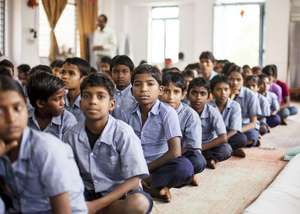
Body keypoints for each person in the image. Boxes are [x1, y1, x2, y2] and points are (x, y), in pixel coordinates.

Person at [63, 73, 152, 214]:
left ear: (112, 104)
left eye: (100, 96)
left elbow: (134, 180)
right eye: (87, 96)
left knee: (139, 204)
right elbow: (66, 175)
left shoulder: (123, 132)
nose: (93, 101)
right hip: (86, 192)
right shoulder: (70, 136)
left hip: (119, 193)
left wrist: (96, 205)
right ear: (80, 103)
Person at [0, 75, 87, 213]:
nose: (11, 119)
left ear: (25, 106)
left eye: (17, 108)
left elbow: (63, 211)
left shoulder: (47, 149)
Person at [121, 64, 194, 202]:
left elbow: (175, 152)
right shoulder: (126, 112)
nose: (143, 89)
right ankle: (151, 189)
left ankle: (140, 185)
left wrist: (145, 170)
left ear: (160, 90)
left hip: (157, 166)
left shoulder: (167, 113)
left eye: (150, 84)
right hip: (133, 165)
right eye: (138, 84)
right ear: (132, 91)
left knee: (185, 168)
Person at [161, 72, 206, 186]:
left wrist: (172, 154)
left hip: (178, 155)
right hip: (154, 155)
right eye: (166, 91)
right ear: (160, 91)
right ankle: (166, 180)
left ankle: (155, 180)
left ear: (183, 94)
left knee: (197, 161)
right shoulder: (153, 110)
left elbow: (192, 147)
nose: (171, 97)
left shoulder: (190, 115)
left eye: (176, 92)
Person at [187, 77, 231, 169]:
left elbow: (223, 137)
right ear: (187, 95)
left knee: (226, 149)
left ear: (208, 97)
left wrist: (200, 147)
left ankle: (206, 159)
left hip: (206, 146)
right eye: (194, 93)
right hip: (188, 148)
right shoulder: (184, 111)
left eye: (202, 93)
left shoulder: (212, 111)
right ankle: (207, 160)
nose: (198, 97)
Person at [26, 72, 77, 140]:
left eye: (63, 97)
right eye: (58, 99)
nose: (63, 103)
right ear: (41, 103)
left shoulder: (67, 120)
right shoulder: (25, 119)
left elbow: (69, 149)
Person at [210, 75, 247, 158]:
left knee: (241, 139)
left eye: (226, 89)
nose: (223, 93)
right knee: (224, 149)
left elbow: (234, 130)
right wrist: (216, 141)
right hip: (212, 138)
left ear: (230, 91)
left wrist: (222, 140)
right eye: (218, 90)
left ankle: (223, 151)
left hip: (228, 136)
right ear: (212, 92)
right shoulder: (208, 106)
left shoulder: (235, 106)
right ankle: (228, 151)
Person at [224, 63, 261, 146]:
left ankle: (230, 146)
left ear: (243, 81)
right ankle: (232, 147)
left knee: (249, 138)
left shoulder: (250, 95)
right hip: (226, 127)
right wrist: (231, 97)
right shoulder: (222, 93)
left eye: (238, 79)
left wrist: (236, 130)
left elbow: (253, 123)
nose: (234, 82)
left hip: (244, 127)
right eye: (231, 79)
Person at [61, 57, 90, 121]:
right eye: (63, 72)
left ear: (83, 78)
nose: (64, 76)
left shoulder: (89, 103)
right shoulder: (58, 100)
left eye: (71, 73)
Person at [110, 55, 136, 120]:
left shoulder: (136, 94)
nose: (120, 76)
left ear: (131, 73)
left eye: (124, 71)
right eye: (116, 71)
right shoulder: (109, 93)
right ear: (111, 73)